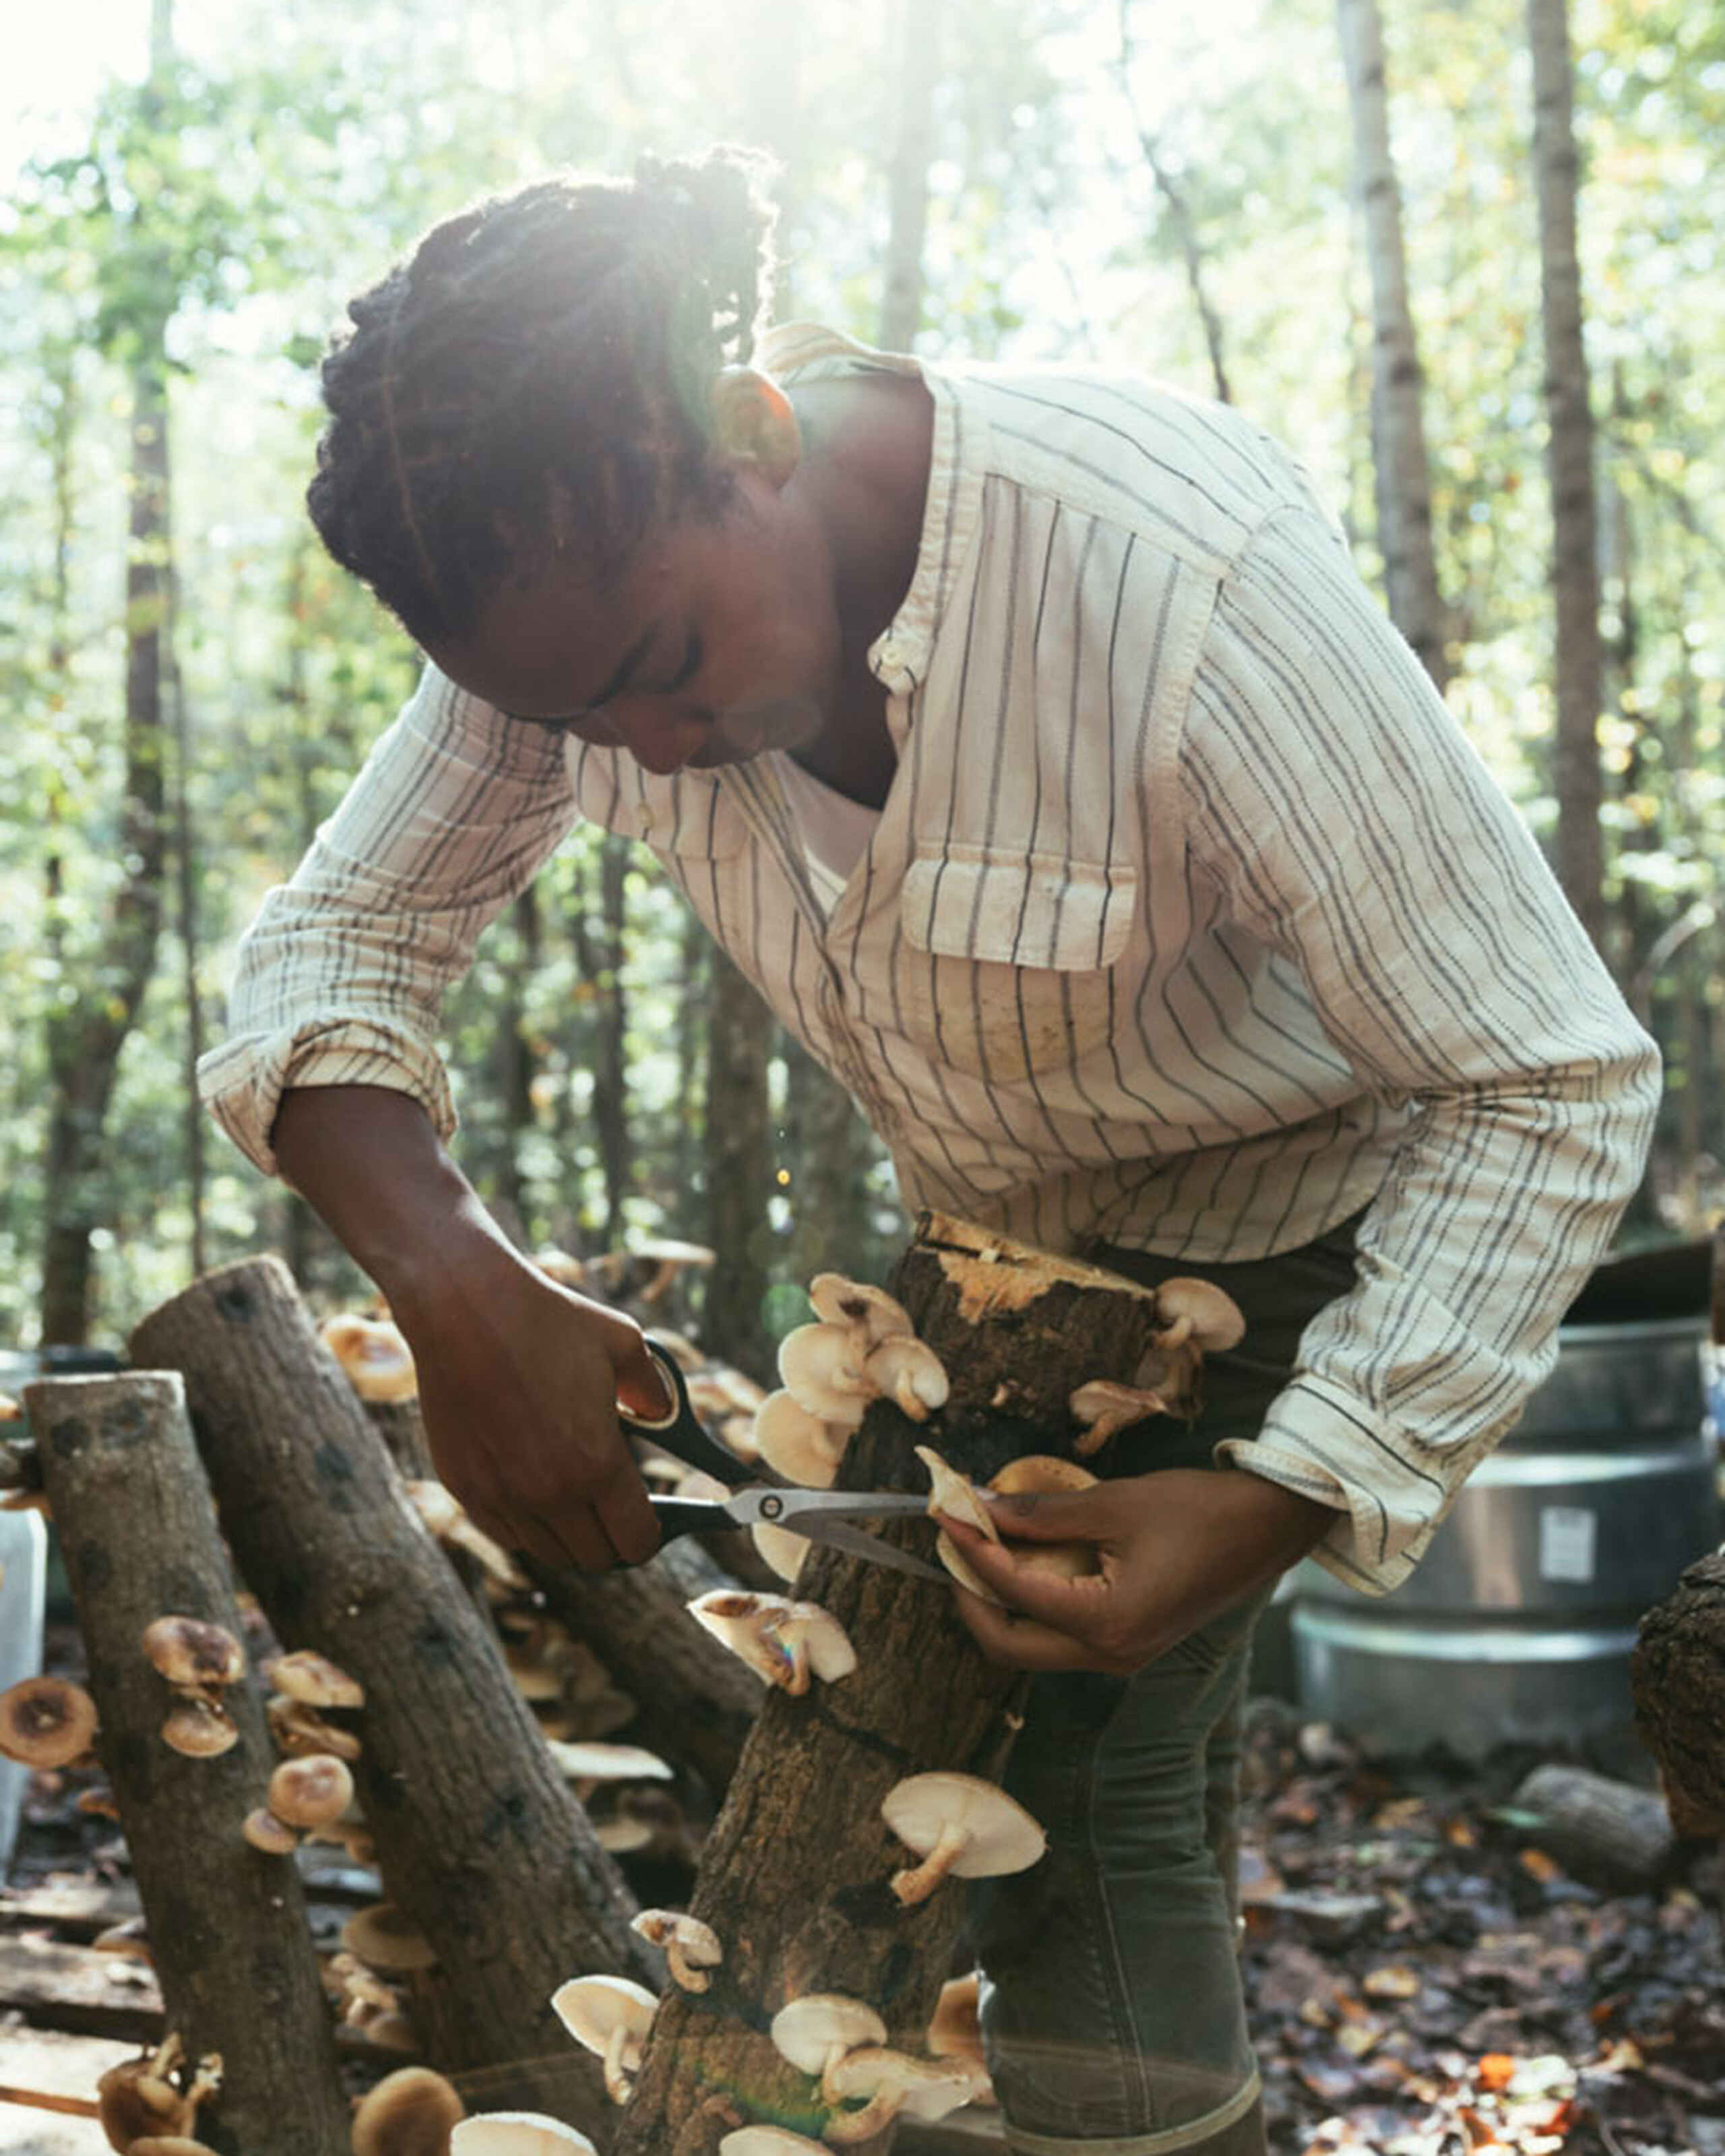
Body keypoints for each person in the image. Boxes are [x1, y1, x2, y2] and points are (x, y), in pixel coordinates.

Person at [201, 146, 1660, 2156]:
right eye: (568, 721)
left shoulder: (1174, 574)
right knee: (921, 1787)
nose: (640, 753)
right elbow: (334, 942)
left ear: (754, 431)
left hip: (1297, 1222)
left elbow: (1545, 1073)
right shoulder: (571, 600)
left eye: (652, 676)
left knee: (1087, 1799)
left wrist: (1287, 1485)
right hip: (987, 1264)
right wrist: (450, 1275)